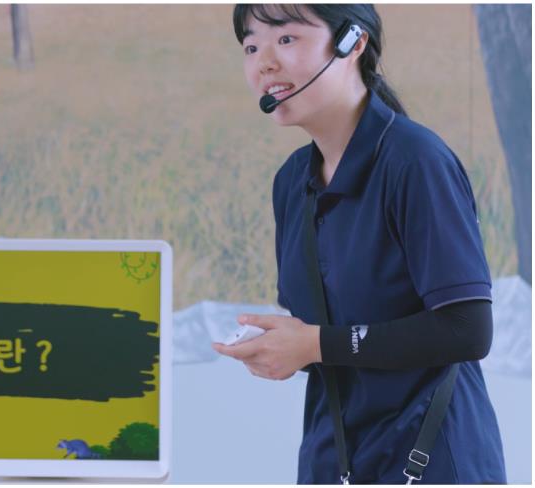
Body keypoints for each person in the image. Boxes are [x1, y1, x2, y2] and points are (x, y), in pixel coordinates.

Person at [212, 4, 507, 484]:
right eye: (250, 46)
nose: (264, 62)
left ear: (354, 42)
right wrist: (287, 346)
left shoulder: (416, 162)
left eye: (286, 39)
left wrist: (315, 343)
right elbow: (338, 338)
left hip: (431, 461)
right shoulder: (292, 181)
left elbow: (468, 330)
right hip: (333, 461)